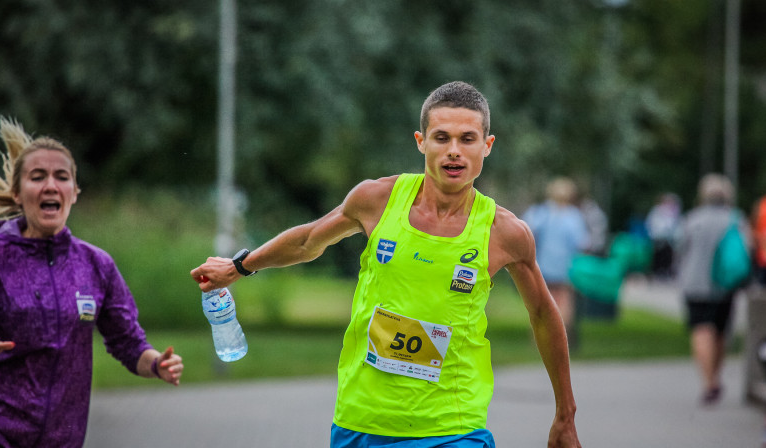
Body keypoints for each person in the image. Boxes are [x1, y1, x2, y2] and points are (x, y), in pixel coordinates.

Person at [191, 81, 581, 447]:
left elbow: (544, 315)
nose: (454, 151)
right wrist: (240, 266)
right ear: (421, 142)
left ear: (488, 145)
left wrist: (566, 413)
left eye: (468, 139)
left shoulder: (505, 233)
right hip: (362, 419)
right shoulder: (376, 200)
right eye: (441, 138)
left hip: (453, 425)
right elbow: (309, 241)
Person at [0, 118, 184, 448]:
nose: (50, 185)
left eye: (62, 177)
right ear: (17, 193)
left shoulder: (96, 265)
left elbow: (127, 342)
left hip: (63, 440)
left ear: (74, 193)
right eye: (37, 177)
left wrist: (156, 363)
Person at [675, 173, 749, 406]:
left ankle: (708, 383)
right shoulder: (736, 220)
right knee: (719, 332)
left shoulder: (691, 219)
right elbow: (746, 251)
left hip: (694, 283)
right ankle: (715, 376)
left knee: (701, 330)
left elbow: (680, 250)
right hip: (724, 285)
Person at [521, 177, 589, 332]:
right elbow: (582, 243)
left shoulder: (540, 212)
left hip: (542, 265)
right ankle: (562, 337)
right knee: (564, 301)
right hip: (566, 267)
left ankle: (538, 338)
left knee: (540, 303)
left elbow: (526, 233)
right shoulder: (573, 217)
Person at [645, 193, 682, 280]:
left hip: (669, 238)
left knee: (667, 255)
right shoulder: (657, 210)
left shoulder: (674, 211)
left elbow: (676, 224)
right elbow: (652, 223)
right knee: (658, 255)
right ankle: (657, 272)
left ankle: (665, 271)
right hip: (658, 237)